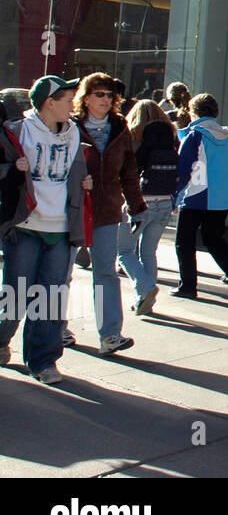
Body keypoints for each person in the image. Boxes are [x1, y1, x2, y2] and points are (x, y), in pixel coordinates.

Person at [0, 75, 92, 384]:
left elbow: (77, 171)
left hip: (62, 230)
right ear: (49, 103)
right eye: (67, 99)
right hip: (25, 226)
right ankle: (1, 340)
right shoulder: (17, 131)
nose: (73, 105)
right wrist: (12, 169)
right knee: (16, 296)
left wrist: (85, 183)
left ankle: (43, 361)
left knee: (51, 298)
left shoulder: (75, 133)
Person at [71, 73, 148, 355]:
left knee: (105, 272)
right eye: (100, 94)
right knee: (60, 273)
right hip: (74, 209)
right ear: (86, 97)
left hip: (107, 209)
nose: (106, 99)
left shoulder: (119, 126)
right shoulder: (71, 125)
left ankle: (110, 335)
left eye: (110, 95)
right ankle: (57, 329)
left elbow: (129, 171)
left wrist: (136, 204)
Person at [173, 93, 228, 299]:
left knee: (184, 242)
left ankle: (188, 286)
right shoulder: (227, 138)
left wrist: (176, 194)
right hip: (221, 197)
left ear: (193, 113)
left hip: (196, 194)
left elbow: (185, 168)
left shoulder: (195, 135)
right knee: (213, 238)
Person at [117, 101, 178, 317]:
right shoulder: (170, 136)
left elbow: (125, 170)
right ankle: (146, 300)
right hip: (164, 201)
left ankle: (144, 288)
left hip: (139, 202)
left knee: (124, 251)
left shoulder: (133, 136)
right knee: (148, 252)